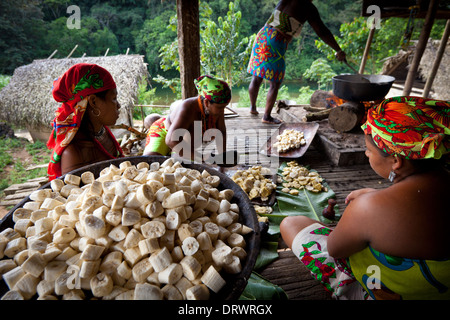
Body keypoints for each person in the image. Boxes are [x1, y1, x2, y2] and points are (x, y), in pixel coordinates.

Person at [280, 96, 450, 300]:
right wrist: (374, 196)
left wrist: (361, 208)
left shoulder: (367, 208)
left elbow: (336, 249)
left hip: (383, 291)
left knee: (291, 224)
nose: (368, 155)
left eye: (368, 150)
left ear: (396, 160)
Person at [247, 0, 346, 124]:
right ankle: (266, 117)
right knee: (275, 83)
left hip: (263, 35)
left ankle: (253, 108)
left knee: (257, 75)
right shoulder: (308, 7)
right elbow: (322, 31)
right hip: (276, 40)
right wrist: (338, 49)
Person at [47, 63, 124, 181]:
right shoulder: (74, 153)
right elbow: (78, 197)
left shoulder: (102, 133)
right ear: (93, 102)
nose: (118, 105)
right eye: (113, 98)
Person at [143, 75, 232, 163]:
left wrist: (222, 158)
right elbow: (171, 140)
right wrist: (203, 158)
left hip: (184, 142)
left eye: (224, 107)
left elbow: (222, 132)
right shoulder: (187, 108)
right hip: (164, 131)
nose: (222, 111)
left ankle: (171, 154)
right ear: (206, 102)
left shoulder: (216, 108)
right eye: (220, 107)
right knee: (150, 163)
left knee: (184, 170)